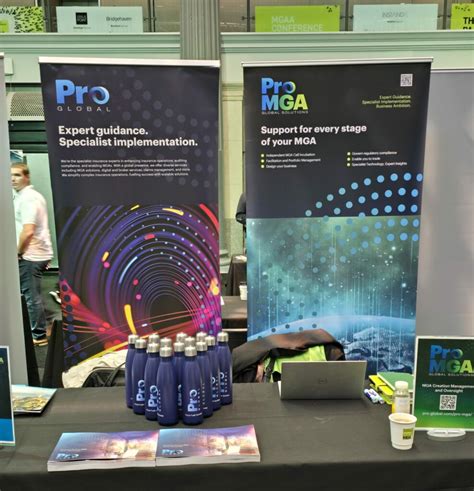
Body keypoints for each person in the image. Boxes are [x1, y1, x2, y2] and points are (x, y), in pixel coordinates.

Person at [11, 162, 53, 346]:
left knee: (31, 296)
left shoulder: (28, 198)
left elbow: (28, 231)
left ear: (27, 177)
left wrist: (18, 252)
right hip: (34, 253)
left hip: (30, 255)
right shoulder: (24, 196)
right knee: (32, 294)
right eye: (10, 175)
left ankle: (39, 335)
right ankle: (41, 327)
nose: (13, 179)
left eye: (17, 175)